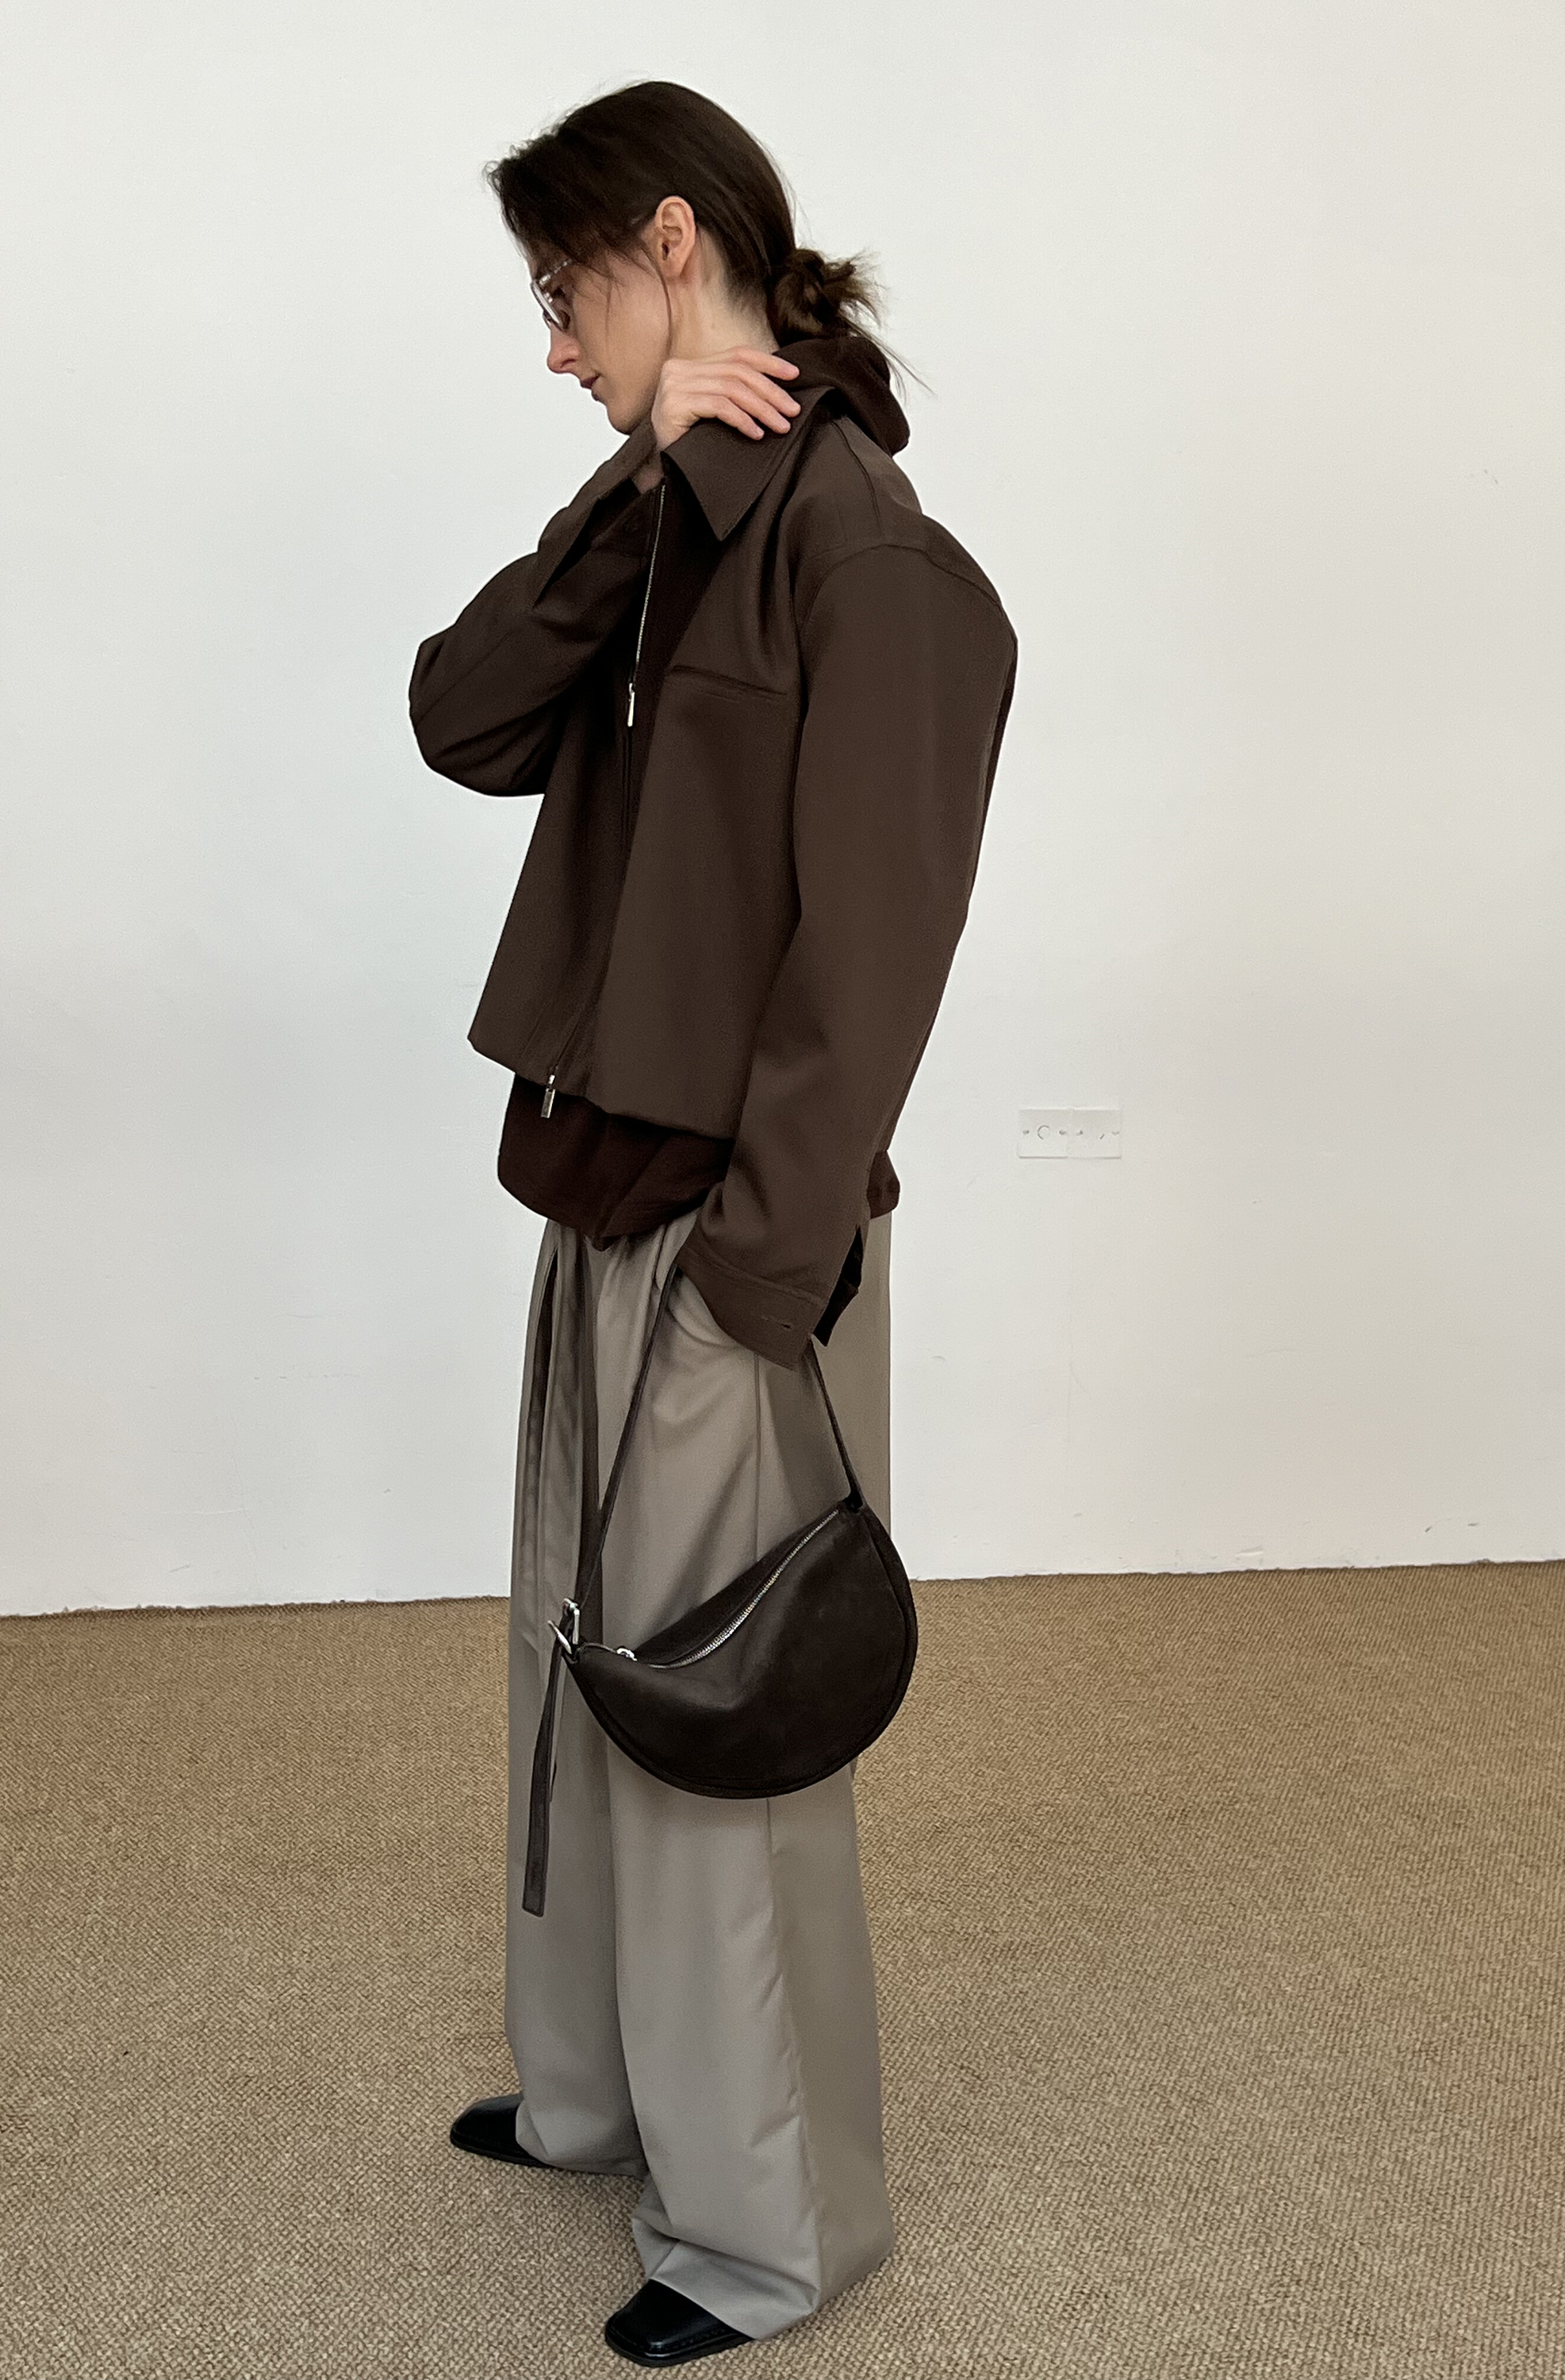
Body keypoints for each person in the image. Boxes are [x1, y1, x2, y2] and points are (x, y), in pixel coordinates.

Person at [407, 78, 1017, 2369]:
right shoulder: (663, 520)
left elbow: (869, 976)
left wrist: (758, 1289)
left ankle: (770, 2236)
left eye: (564, 293)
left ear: (670, 241)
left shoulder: (869, 556)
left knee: (717, 1723)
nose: (556, 344)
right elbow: (459, 715)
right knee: (573, 1661)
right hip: (598, 1193)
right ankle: (595, 2099)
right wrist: (631, 482)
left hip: (738, 1245)